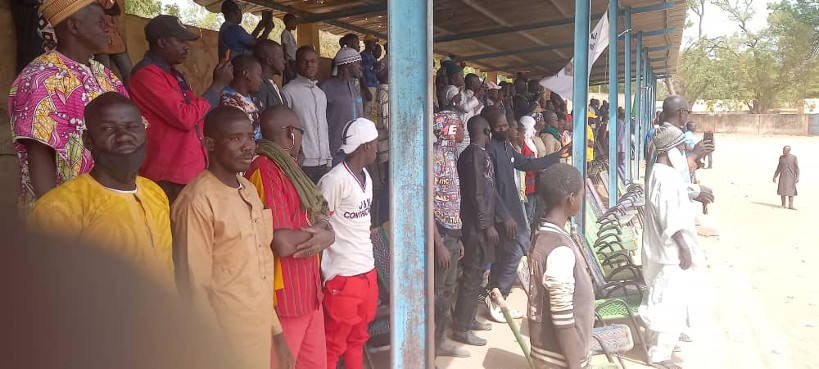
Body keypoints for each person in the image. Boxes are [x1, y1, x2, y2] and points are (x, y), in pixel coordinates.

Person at [171, 106, 291, 369]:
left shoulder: (247, 189)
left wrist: (278, 335)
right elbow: (194, 289)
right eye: (235, 138)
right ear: (210, 144)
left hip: (257, 335)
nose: (247, 146)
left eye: (250, 137)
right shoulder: (197, 202)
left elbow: (257, 273)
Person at [28, 92, 173, 286]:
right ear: (88, 140)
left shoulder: (155, 193)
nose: (124, 137)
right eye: (108, 129)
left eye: (133, 127)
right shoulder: (59, 207)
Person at [9, 0, 128, 210]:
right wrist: (53, 220)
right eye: (100, 21)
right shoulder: (40, 78)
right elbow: (39, 155)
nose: (109, 27)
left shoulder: (106, 76)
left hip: (107, 207)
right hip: (66, 216)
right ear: (74, 26)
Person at [246, 106, 335, 369]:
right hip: (285, 298)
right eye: (300, 132)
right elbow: (282, 242)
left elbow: (318, 216)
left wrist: (326, 232)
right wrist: (325, 236)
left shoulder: (289, 169)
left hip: (308, 293)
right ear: (290, 135)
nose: (301, 139)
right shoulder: (265, 168)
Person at [130, 14, 233, 204]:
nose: (186, 46)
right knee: (176, 231)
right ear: (161, 42)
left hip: (190, 169)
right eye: (180, 41)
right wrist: (216, 86)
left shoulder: (173, 74)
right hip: (170, 175)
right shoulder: (147, 75)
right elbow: (185, 118)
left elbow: (198, 112)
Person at [482, 107, 566, 323]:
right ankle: (498, 295)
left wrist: (557, 156)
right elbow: (489, 189)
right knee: (516, 251)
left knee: (508, 253)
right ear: (489, 128)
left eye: (505, 125)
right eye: (499, 126)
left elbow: (527, 163)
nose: (504, 128)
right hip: (502, 214)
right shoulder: (489, 150)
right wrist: (503, 216)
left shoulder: (505, 147)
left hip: (513, 208)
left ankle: (495, 295)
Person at [318, 118, 379, 369]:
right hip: (342, 276)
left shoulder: (366, 177)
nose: (377, 148)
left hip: (366, 270)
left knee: (357, 339)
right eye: (375, 144)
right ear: (365, 146)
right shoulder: (334, 180)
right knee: (333, 345)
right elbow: (319, 224)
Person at [639, 124, 702, 369]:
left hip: (664, 249)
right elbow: (668, 215)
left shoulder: (663, 172)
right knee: (670, 302)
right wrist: (683, 247)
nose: (684, 149)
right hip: (670, 252)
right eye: (680, 146)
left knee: (661, 298)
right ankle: (659, 354)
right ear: (669, 150)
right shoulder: (663, 176)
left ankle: (655, 343)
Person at [528, 163, 594, 369]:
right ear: (570, 198)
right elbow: (562, 315)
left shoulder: (542, 234)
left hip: (551, 352)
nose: (581, 200)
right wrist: (574, 365)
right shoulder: (560, 249)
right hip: (561, 357)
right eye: (582, 195)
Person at [452, 116, 500, 346]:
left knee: (478, 273)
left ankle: (469, 320)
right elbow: (477, 194)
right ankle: (462, 327)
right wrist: (487, 225)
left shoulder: (480, 154)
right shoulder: (472, 156)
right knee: (472, 275)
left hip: (479, 226)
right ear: (486, 130)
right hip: (475, 228)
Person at [431, 111, 471, 358]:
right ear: (448, 129)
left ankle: (440, 340)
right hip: (442, 237)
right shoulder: (435, 157)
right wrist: (439, 245)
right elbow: (428, 204)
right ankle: (433, 346)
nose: (463, 130)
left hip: (453, 234)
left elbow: (452, 200)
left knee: (447, 290)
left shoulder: (450, 153)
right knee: (438, 294)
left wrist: (459, 237)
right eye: (459, 125)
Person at [647, 96, 715, 206]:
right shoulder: (670, 137)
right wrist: (696, 191)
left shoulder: (668, 133)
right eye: (688, 112)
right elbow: (668, 184)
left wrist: (695, 158)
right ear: (681, 113)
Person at [281, 46, 332, 183]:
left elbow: (324, 127)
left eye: (313, 61)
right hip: (302, 163)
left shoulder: (321, 94)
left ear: (318, 63)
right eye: (304, 61)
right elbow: (285, 127)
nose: (309, 65)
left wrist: (328, 159)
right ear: (296, 63)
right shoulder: (288, 91)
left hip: (323, 161)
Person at [321, 46, 365, 165]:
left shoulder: (355, 87)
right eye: (357, 64)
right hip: (336, 150)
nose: (360, 67)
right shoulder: (326, 87)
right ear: (347, 65)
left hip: (357, 148)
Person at [220, 54, 264, 139]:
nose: (261, 80)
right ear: (246, 74)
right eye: (259, 75)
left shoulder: (254, 100)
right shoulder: (228, 101)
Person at [93, 0, 131, 86]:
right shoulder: (91, 3)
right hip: (100, 44)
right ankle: (108, 97)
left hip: (116, 42)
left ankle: (130, 97)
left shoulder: (113, 4)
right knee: (104, 76)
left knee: (129, 73)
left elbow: (117, 19)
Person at [453, 73, 485, 155]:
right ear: (471, 84)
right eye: (478, 82)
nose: (480, 84)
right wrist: (477, 96)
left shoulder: (474, 96)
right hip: (462, 133)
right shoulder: (463, 95)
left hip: (471, 132)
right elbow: (466, 108)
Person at [253, 39, 287, 109]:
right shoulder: (259, 87)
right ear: (269, 61)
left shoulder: (272, 83)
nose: (284, 61)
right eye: (281, 57)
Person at [773, 145, 799, 210]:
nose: (783, 151)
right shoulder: (781, 157)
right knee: (782, 190)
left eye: (784, 150)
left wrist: (797, 176)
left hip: (791, 177)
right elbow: (779, 167)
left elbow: (796, 168)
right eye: (783, 150)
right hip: (783, 176)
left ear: (788, 150)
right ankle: (783, 204)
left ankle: (791, 205)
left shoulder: (793, 157)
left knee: (791, 191)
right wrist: (775, 176)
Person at [360, 35, 379, 118]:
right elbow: (361, 74)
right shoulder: (363, 56)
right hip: (367, 87)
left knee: (369, 111)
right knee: (366, 113)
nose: (375, 44)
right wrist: (367, 90)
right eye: (373, 42)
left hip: (372, 87)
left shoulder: (372, 57)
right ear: (367, 43)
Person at [281, 13, 298, 81]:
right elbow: (284, 48)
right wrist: (287, 63)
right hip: (290, 62)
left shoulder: (289, 34)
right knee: (290, 80)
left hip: (293, 61)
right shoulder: (285, 33)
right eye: (294, 21)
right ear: (288, 22)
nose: (296, 24)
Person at [616, 107, 627, 181]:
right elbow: (621, 138)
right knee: (621, 167)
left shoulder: (617, 122)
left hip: (617, 148)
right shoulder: (620, 123)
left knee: (619, 167)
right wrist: (622, 150)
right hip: (619, 149)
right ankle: (623, 182)